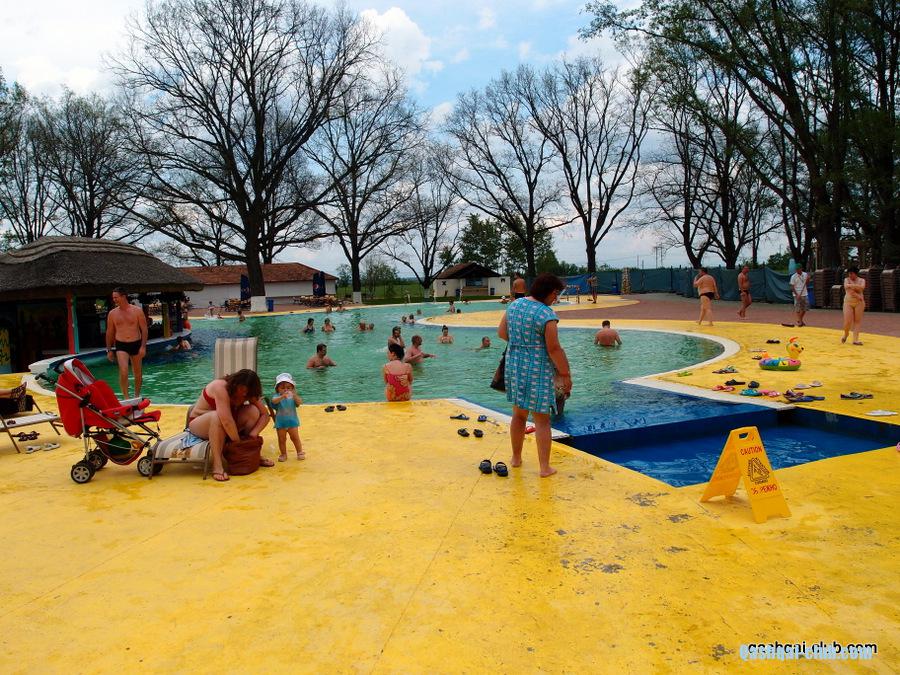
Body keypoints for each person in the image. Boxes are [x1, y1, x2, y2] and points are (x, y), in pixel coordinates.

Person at [498, 273, 572, 478]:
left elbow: (502, 333)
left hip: (515, 366)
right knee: (542, 420)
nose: (556, 298)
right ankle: (544, 468)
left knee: (518, 414)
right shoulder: (546, 314)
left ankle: (516, 458)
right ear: (548, 292)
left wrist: (521, 344)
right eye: (555, 293)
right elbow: (554, 349)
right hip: (537, 369)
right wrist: (565, 374)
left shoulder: (515, 305)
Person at [188, 369, 273, 482]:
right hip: (200, 423)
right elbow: (226, 421)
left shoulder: (249, 392)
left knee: (253, 411)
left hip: (227, 423)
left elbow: (265, 415)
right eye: (242, 390)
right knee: (217, 416)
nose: (244, 394)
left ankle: (251, 453)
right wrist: (239, 444)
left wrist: (253, 435)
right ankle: (217, 464)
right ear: (235, 384)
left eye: (247, 392)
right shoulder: (220, 387)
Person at [105, 287, 149, 398]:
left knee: (137, 373)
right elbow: (109, 332)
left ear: (123, 296)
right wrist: (109, 350)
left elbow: (144, 329)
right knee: (123, 371)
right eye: (113, 298)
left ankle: (136, 395)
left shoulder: (137, 311)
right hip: (121, 344)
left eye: (116, 297)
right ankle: (126, 397)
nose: (114, 300)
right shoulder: (112, 314)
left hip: (136, 343)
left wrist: (143, 347)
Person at [271, 372, 304, 461]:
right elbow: (273, 401)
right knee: (282, 439)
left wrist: (294, 395)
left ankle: (300, 452)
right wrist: (282, 397)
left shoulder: (293, 397)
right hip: (280, 423)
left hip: (292, 422)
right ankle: (283, 454)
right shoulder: (277, 396)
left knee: (295, 438)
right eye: (282, 388)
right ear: (277, 389)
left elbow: (299, 402)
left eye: (288, 388)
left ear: (292, 389)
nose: (285, 390)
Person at [841, 266, 866, 345]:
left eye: (851, 273)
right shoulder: (846, 280)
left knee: (857, 321)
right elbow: (849, 290)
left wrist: (851, 286)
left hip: (859, 303)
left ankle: (855, 339)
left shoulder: (862, 280)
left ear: (855, 274)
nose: (850, 275)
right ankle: (846, 334)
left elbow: (862, 288)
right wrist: (858, 295)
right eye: (849, 274)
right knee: (847, 321)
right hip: (848, 302)